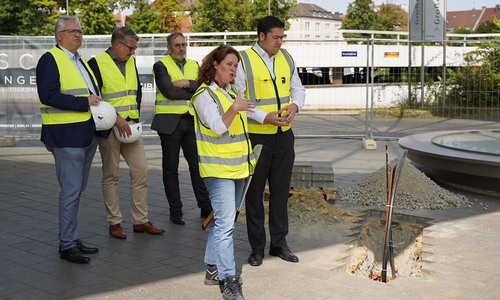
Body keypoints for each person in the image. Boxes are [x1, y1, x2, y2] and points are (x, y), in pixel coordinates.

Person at [234, 16, 306, 267]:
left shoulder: (286, 57)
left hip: (284, 136)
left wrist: (295, 106)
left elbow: (298, 88)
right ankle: (257, 248)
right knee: (254, 195)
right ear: (261, 36)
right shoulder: (243, 60)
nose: (280, 41)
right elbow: (239, 99)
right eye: (275, 37)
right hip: (256, 137)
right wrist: (265, 117)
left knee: (280, 193)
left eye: (281, 37)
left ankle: (279, 244)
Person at [192, 45, 255, 300]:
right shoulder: (203, 96)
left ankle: (211, 269)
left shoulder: (230, 93)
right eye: (229, 64)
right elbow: (218, 126)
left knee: (222, 221)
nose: (233, 69)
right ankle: (229, 279)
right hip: (218, 170)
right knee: (227, 224)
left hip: (238, 167)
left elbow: (250, 109)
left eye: (236, 65)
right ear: (214, 64)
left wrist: (269, 117)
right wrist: (235, 108)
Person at [88, 27, 164, 239]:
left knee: (141, 170)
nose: (133, 52)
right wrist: (116, 118)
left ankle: (140, 221)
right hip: (110, 128)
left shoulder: (130, 61)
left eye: (134, 48)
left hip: (131, 127)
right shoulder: (96, 63)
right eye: (131, 48)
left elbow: (136, 91)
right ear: (117, 45)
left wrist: (133, 116)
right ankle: (115, 223)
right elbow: (94, 97)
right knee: (111, 175)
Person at [36, 15, 100, 264]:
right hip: (65, 136)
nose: (77, 35)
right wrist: (84, 102)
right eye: (72, 31)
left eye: (80, 31)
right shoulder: (50, 59)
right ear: (58, 36)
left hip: (85, 133)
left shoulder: (79, 60)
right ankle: (67, 245)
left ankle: (72, 237)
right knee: (71, 191)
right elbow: (47, 95)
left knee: (77, 190)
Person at [152, 31, 211, 225]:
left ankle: (205, 207)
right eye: (177, 45)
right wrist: (194, 92)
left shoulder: (194, 65)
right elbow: (168, 91)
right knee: (171, 168)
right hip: (169, 123)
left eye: (183, 45)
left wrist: (187, 83)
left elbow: (205, 86)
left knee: (197, 166)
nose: (181, 48)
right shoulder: (160, 65)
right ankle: (175, 210)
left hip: (191, 121)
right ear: (169, 48)